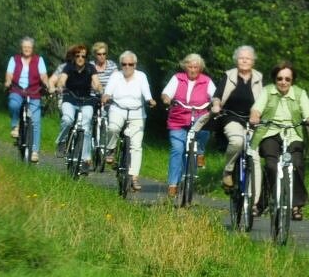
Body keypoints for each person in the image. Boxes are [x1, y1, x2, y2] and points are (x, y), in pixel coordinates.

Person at [250, 61, 309, 220]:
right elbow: (257, 108)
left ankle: (296, 206)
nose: (283, 82)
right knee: (270, 166)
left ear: (292, 81)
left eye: (287, 79)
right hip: (271, 132)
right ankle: (262, 204)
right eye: (279, 78)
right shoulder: (267, 91)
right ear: (275, 79)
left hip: (293, 133)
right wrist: (255, 116)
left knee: (297, 164)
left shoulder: (299, 93)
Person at [210, 45, 264, 196]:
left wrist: (261, 115)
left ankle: (254, 201)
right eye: (241, 58)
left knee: (255, 155)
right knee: (237, 141)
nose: (244, 60)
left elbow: (266, 99)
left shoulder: (259, 78)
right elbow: (217, 96)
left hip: (253, 119)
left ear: (253, 61)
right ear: (236, 60)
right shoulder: (229, 75)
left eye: (247, 58)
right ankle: (228, 172)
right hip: (231, 116)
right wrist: (216, 105)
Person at [161, 53, 216, 199]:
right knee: (177, 150)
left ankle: (200, 153)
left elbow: (215, 96)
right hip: (178, 120)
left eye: (196, 67)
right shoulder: (177, 78)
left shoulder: (206, 81)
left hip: (198, 119)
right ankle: (173, 184)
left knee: (204, 133)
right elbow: (166, 93)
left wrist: (215, 103)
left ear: (200, 68)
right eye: (190, 67)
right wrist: (167, 99)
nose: (192, 70)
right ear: (185, 67)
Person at [102, 51, 157, 191]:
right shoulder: (116, 76)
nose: (127, 67)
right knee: (113, 128)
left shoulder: (141, 76)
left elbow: (146, 92)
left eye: (130, 64)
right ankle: (111, 149)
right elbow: (108, 91)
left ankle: (134, 177)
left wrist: (150, 100)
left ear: (135, 65)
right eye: (124, 64)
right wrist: (106, 96)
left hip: (137, 112)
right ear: (121, 65)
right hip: (118, 109)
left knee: (136, 146)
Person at [51, 43, 103, 162]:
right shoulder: (68, 67)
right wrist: (59, 86)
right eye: (77, 55)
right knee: (67, 119)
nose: (80, 58)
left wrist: (99, 89)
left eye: (83, 56)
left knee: (86, 126)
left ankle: (85, 159)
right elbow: (62, 80)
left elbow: (96, 83)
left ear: (86, 58)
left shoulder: (91, 68)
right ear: (74, 57)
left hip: (87, 101)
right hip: (70, 98)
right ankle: (61, 141)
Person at [4, 37, 51, 163]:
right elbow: (9, 73)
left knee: (35, 121)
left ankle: (35, 150)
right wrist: (8, 81)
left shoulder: (38, 60)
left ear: (32, 48)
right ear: (21, 48)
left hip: (34, 91)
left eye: (29, 47)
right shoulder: (14, 59)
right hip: (17, 89)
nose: (27, 49)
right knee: (14, 104)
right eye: (25, 47)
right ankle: (15, 126)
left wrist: (46, 84)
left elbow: (43, 75)